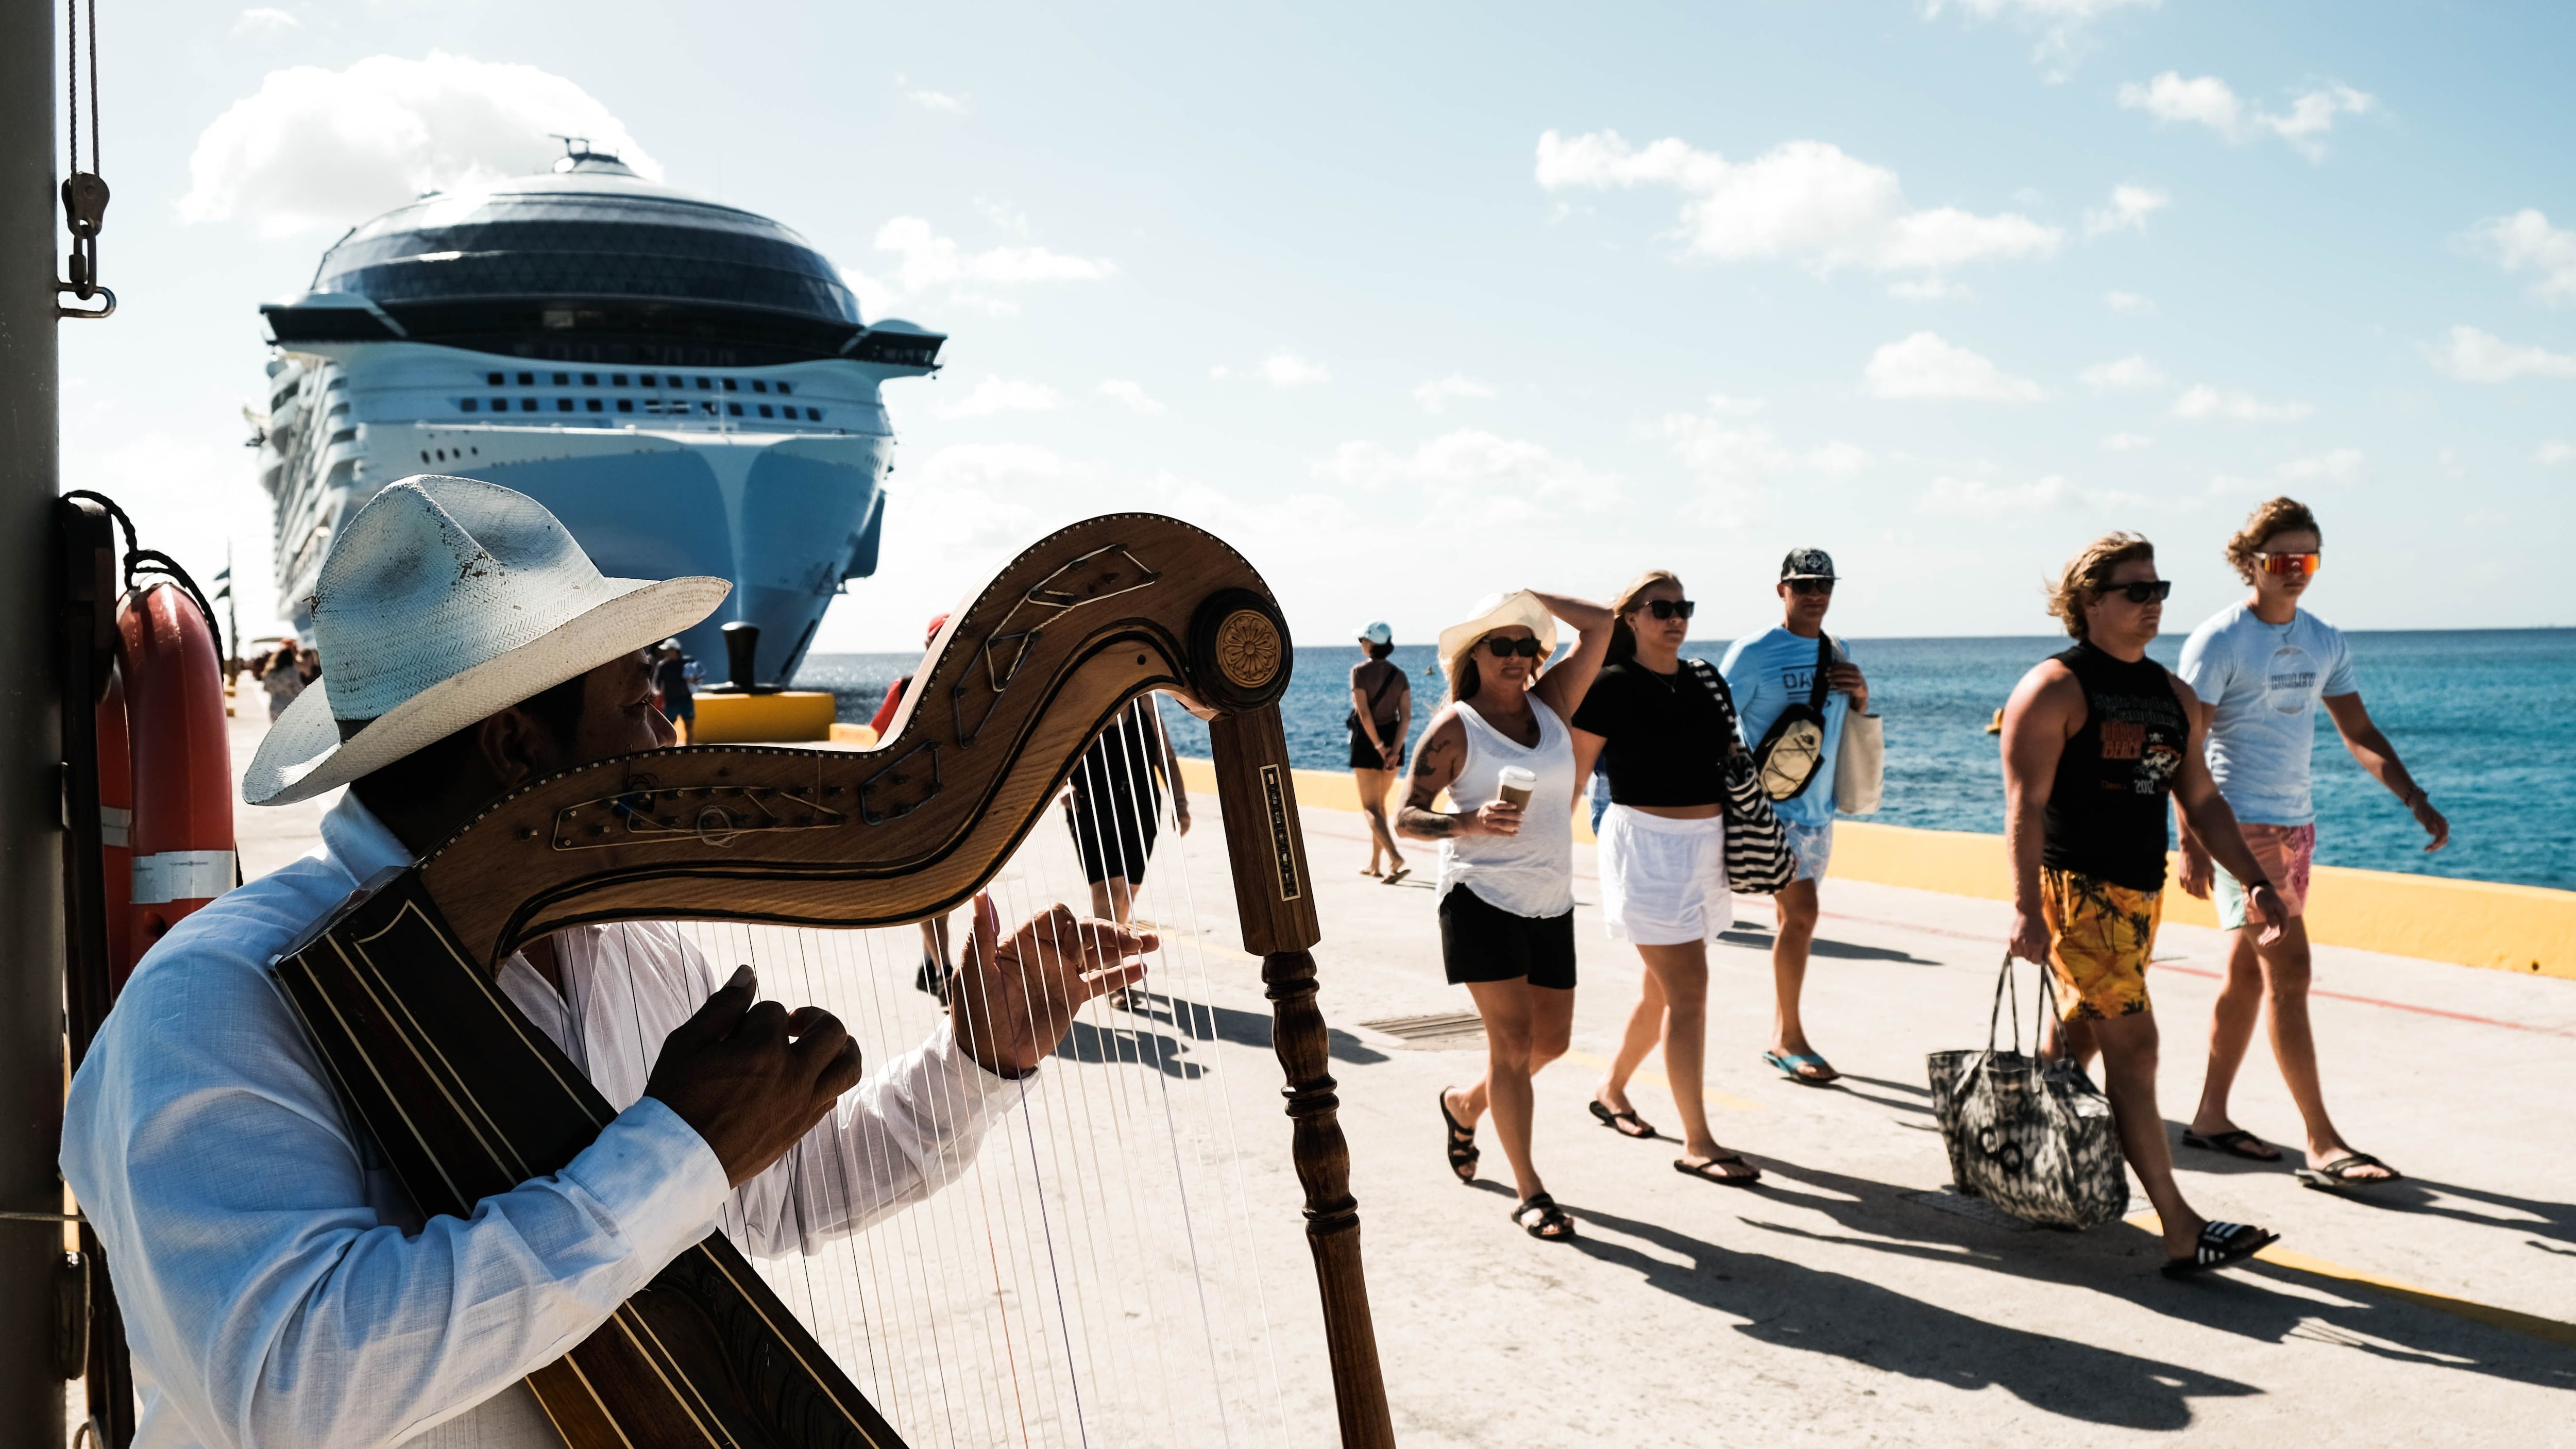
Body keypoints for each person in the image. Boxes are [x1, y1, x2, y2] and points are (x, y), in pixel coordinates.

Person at [59, 477, 1154, 1447]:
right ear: (517, 750)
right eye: (640, 702)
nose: (664, 745)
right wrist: (675, 1149)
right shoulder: (217, 997)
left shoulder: (620, 944)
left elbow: (769, 1199)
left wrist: (977, 1060)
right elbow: (294, 1387)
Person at [2001, 532, 2283, 1277]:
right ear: (2091, 602)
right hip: (2078, 895)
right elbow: (2025, 809)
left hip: (2139, 894)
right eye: (2137, 591)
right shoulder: (2054, 688)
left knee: (2080, 1035)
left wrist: (2251, 878)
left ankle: (2026, 1159)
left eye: (2159, 590)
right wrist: (2028, 908)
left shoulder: (2173, 695)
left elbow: (2202, 798)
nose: (2153, 604)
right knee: (2137, 1047)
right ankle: (2179, 1225)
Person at [2175, 498, 2445, 1188]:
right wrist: (2192, 840)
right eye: (2281, 558)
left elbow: (2359, 733)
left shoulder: (2324, 639)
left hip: (2296, 829)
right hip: (2239, 828)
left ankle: (2209, 1117)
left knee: (2246, 975)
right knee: (2289, 974)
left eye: (2308, 558)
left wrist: (2414, 798)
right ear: (2251, 563)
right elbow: (2186, 747)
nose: (2296, 571)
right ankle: (2324, 1144)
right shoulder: (2219, 641)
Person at [1398, 589, 1612, 1240]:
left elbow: (1601, 624)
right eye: (1502, 644)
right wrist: (1468, 820)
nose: (1518, 657)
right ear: (1474, 654)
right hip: (1480, 899)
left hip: (1549, 900)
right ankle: (1530, 1192)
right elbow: (1405, 815)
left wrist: (1526, 593)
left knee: (1550, 1044)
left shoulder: (1551, 705)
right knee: (1512, 1047)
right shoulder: (1456, 726)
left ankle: (1463, 1105)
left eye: (1527, 645)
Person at [1569, 571, 1765, 1188]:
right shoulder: (1610, 685)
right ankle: (1697, 1142)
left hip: (1705, 849)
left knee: (1661, 992)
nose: (1675, 618)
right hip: (1646, 851)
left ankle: (1611, 1089)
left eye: (1683, 607)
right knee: (1688, 995)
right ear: (1630, 617)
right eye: (1660, 608)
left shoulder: (1704, 680)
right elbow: (1574, 776)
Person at [1720, 548, 1871, 1085]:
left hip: (1816, 810)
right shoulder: (1754, 651)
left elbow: (1846, 721)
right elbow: (1716, 714)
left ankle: (1780, 1033)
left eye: (1823, 584)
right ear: (1780, 590)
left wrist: (1860, 695)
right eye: (1802, 584)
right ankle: (1789, 1038)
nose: (1814, 594)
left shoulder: (1838, 649)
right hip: (1769, 808)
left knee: (1794, 922)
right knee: (1802, 913)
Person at [869, 613, 957, 998]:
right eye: (941, 639)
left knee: (946, 897)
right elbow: (877, 740)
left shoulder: (970, 691)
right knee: (933, 897)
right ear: (927, 645)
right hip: (914, 807)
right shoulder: (905, 688)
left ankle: (931, 963)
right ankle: (944, 971)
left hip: (954, 803)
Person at [1066, 696, 1192, 924]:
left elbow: (1166, 758)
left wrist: (1180, 805)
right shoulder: (1078, 702)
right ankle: (1107, 957)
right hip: (1091, 807)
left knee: (1127, 893)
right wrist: (1061, 790)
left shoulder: (1144, 703)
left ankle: (1105, 955)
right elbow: (1053, 757)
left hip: (1141, 808)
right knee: (1108, 889)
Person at [1348, 621, 1414, 883]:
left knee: (1370, 807)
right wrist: (1394, 751)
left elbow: (1364, 714)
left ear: (1371, 644)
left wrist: (1379, 748)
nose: (1361, 644)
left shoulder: (1359, 672)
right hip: (1394, 740)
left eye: (1363, 640)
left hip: (1369, 741)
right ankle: (1375, 864)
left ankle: (1395, 857)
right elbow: (1406, 717)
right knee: (1380, 806)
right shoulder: (1400, 676)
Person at [653, 637, 696, 744]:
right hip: (671, 702)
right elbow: (656, 682)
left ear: (675, 650)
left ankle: (689, 751)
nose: (666, 653)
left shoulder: (688, 662)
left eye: (668, 650)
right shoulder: (663, 666)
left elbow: (697, 677)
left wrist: (694, 681)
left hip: (686, 700)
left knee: (689, 727)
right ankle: (669, 753)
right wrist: (656, 692)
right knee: (669, 729)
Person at [258, 639, 304, 721]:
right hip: (289, 707)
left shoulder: (270, 673)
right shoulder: (292, 672)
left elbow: (265, 688)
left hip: (275, 707)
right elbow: (299, 689)